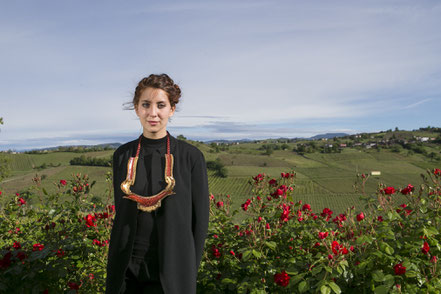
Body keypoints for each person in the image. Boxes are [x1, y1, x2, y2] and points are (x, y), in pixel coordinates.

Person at [105, 74, 209, 294]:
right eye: (146, 105)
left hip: (173, 273)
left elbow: (199, 223)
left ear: (171, 109)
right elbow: (122, 214)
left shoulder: (191, 157)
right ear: (136, 108)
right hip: (126, 273)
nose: (153, 113)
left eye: (161, 105)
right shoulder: (122, 156)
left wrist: (188, 270)